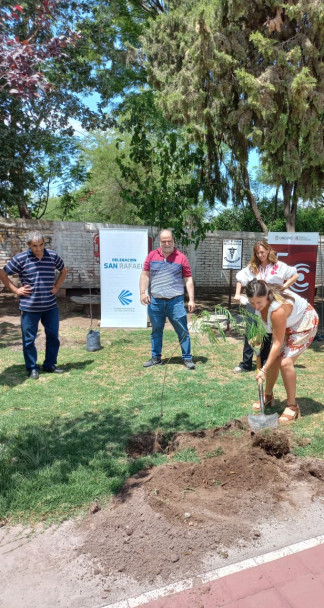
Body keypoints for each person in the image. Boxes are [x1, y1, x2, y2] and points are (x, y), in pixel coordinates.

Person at [246, 279, 319, 422]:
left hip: (304, 322)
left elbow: (277, 343)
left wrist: (264, 370)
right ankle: (268, 396)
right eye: (252, 303)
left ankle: (292, 406)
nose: (256, 306)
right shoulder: (259, 304)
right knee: (274, 359)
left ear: (267, 295)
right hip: (288, 323)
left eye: (259, 302)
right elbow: (266, 325)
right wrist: (259, 336)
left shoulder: (277, 309)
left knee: (285, 362)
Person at [0, 231, 67, 379]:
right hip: (29, 308)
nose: (39, 249)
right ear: (28, 245)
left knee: (53, 337)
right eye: (35, 246)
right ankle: (32, 368)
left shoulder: (52, 256)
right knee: (29, 340)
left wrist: (57, 287)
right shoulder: (20, 259)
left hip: (50, 307)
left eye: (41, 245)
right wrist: (16, 290)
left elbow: (63, 271)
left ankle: (50, 365)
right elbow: (2, 273)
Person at [233, 240, 299, 374]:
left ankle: (264, 362)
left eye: (262, 252)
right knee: (250, 331)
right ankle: (246, 363)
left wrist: (284, 288)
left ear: (269, 250)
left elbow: (295, 275)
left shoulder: (279, 266)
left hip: (271, 304)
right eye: (257, 253)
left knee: (268, 334)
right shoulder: (253, 267)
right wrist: (237, 294)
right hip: (254, 303)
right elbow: (240, 279)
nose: (260, 255)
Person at [140, 229, 196, 369]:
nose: (166, 244)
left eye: (169, 241)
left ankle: (187, 358)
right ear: (160, 242)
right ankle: (156, 358)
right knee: (156, 331)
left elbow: (188, 279)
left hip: (175, 301)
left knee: (182, 330)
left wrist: (191, 299)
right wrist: (142, 292)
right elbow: (145, 275)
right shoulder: (152, 256)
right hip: (156, 302)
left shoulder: (181, 257)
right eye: (164, 241)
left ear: (173, 241)